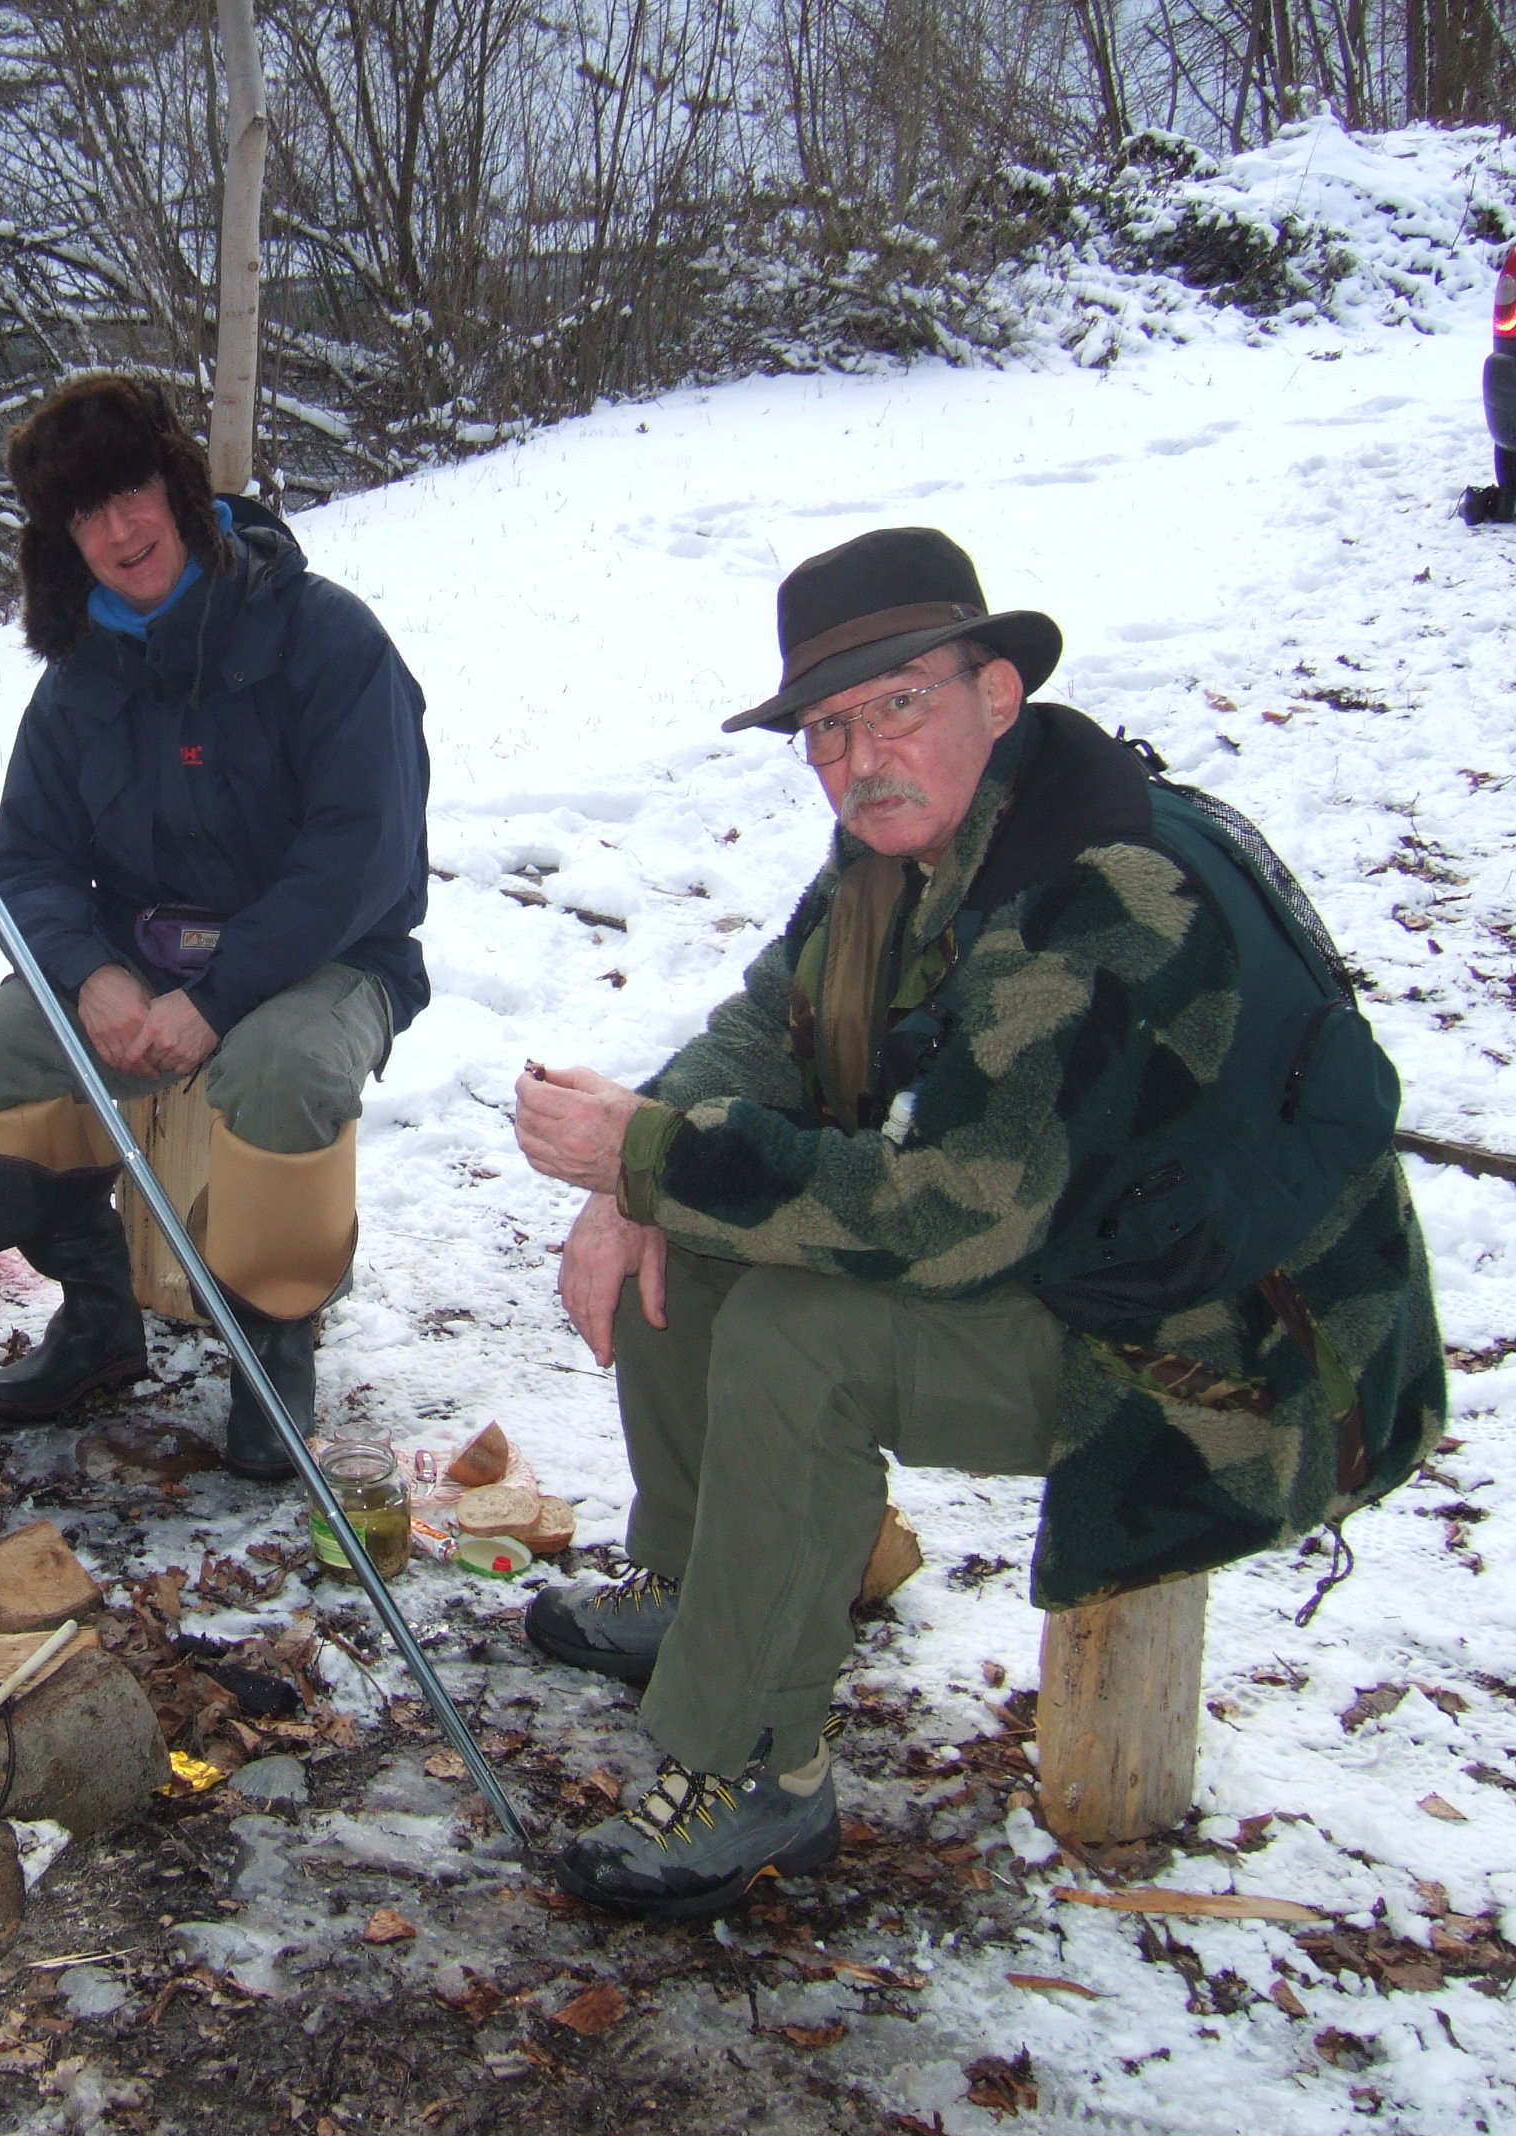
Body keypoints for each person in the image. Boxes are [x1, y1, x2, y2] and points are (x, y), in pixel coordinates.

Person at [510, 526, 1443, 1919]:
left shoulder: (1103, 887)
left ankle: (756, 1772)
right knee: (703, 1225)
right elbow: (771, 1028)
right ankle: (710, 1596)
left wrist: (655, 1158)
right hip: (1088, 1251)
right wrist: (632, 1176)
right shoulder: (912, 845)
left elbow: (965, 1214)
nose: (859, 755)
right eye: (827, 728)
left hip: (1238, 1354)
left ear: (996, 693)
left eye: (899, 703)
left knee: (795, 1335)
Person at [0, 376, 431, 1479]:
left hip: (330, 958)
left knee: (284, 1069)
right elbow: (25, 863)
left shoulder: (323, 635)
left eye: (133, 493)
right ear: (61, 537)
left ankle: (273, 1346)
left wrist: (217, 997)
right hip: (142, 960)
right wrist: (88, 976)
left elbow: (362, 854)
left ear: (180, 487)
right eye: (84, 513)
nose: (118, 530)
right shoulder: (75, 679)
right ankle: (98, 1318)